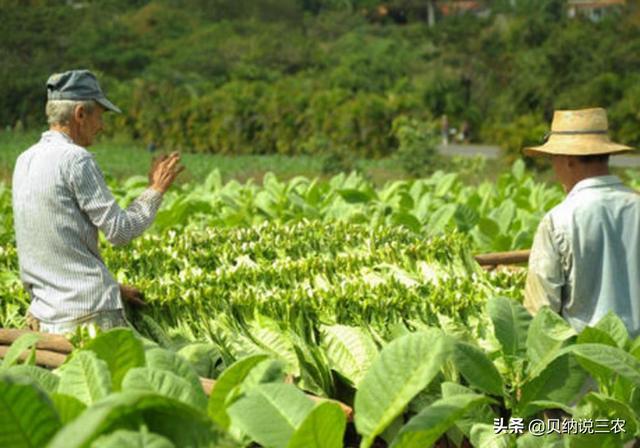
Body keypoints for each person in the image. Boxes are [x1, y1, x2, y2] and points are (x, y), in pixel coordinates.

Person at [12, 69, 183, 334]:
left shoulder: (25, 159)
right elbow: (120, 231)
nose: (101, 126)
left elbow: (53, 242)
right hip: (86, 316)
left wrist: (114, 289)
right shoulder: (76, 159)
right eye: (100, 116)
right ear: (80, 114)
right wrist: (156, 189)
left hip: (45, 315)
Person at [523, 107, 639, 339]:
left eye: (552, 159)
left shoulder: (559, 220)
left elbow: (541, 313)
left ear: (567, 160)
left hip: (587, 365)